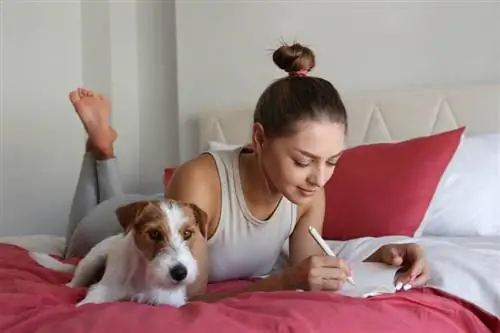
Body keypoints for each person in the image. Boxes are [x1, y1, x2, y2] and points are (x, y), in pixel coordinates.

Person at [64, 42, 430, 303]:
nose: (319, 178)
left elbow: (314, 272)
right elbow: (189, 297)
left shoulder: (309, 193)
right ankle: (103, 150)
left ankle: (103, 148)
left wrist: (379, 263)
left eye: (332, 161)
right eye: (303, 161)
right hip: (128, 225)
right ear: (259, 137)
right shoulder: (200, 179)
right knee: (82, 232)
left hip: (165, 214)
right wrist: (283, 281)